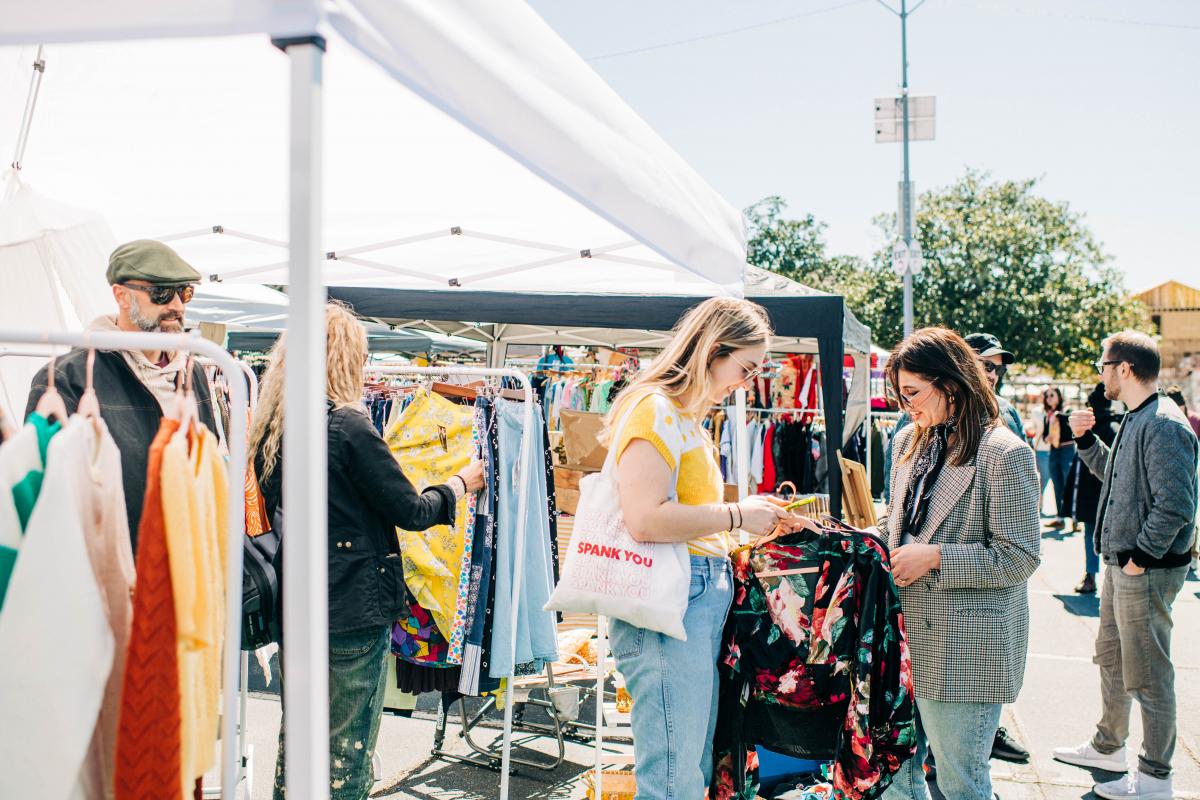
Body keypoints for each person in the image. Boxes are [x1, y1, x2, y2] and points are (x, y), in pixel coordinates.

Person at [250, 302, 484, 800]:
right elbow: (412, 511)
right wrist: (460, 483)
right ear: (344, 359)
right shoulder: (348, 427)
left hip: (297, 605)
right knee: (346, 751)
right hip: (350, 608)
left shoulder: (276, 426)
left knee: (299, 742)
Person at [607, 297, 810, 800]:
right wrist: (738, 515)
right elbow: (645, 518)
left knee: (689, 769)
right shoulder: (656, 409)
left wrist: (748, 519)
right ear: (713, 349)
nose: (747, 382)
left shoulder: (682, 416)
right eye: (746, 367)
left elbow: (684, 514)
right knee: (674, 776)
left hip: (690, 596)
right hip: (672, 599)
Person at [879, 327, 1041, 800]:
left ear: (950, 384)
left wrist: (935, 558)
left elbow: (1020, 555)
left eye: (912, 392)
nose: (905, 405)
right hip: (903, 639)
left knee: (960, 783)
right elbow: (896, 521)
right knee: (895, 777)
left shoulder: (1004, 453)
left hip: (965, 650)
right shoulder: (909, 440)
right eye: (900, 394)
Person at [1054, 331, 1199, 800]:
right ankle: (1108, 748)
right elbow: (1117, 481)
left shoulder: (1163, 424)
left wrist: (1140, 558)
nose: (1101, 375)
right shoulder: (1140, 416)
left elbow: (1176, 505)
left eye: (1103, 365)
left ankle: (1155, 777)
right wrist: (1085, 440)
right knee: (1114, 659)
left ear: (1124, 368)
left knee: (1149, 675)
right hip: (1126, 565)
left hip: (1145, 569)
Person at [24, 239, 217, 542]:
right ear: (121, 295)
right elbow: (46, 493)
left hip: (187, 550)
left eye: (185, 292)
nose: (177, 306)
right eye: (161, 293)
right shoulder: (67, 378)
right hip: (112, 553)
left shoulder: (193, 373)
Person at [1062, 383, 1122, 595]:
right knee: (1099, 532)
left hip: (1096, 488)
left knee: (1092, 533)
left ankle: (1092, 575)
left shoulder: (1103, 426)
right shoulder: (1115, 425)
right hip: (1103, 488)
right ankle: (1097, 576)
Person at [963, 332, 1024, 440]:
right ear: (964, 363)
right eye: (987, 365)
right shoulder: (945, 411)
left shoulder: (1008, 410)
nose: (993, 375)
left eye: (999, 369)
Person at [1039, 387, 1076, 530]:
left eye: (1052, 395)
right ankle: (1060, 518)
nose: (1048, 398)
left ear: (1059, 397)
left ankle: (1074, 518)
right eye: (1047, 396)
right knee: (1057, 484)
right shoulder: (1048, 415)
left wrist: (1057, 415)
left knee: (1069, 483)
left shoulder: (1066, 411)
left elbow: (1069, 420)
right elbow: (1045, 436)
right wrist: (1047, 437)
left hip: (1067, 449)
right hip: (1054, 451)